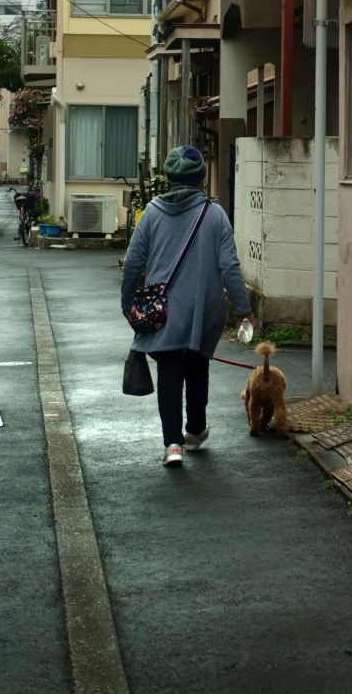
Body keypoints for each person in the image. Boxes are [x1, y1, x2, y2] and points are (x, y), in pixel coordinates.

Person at [120, 145, 255, 466]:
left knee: (169, 369)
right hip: (204, 308)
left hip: (162, 309)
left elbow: (133, 262)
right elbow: (230, 266)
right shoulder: (215, 214)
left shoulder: (152, 212)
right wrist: (242, 309)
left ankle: (173, 445)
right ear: (200, 179)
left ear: (169, 178)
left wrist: (128, 303)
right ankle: (194, 429)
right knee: (197, 364)